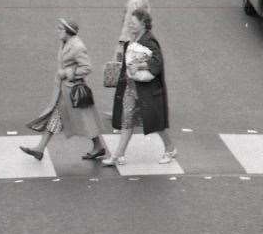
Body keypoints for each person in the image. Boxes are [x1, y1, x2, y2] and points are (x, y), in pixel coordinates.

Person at [22, 18, 103, 164]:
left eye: (60, 29)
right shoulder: (65, 43)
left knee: (84, 119)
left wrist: (67, 73)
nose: (57, 31)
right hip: (64, 90)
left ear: (68, 31)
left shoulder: (77, 46)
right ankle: (40, 149)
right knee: (75, 119)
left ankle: (40, 149)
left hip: (73, 90)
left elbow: (87, 67)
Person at [105, 10, 174, 166]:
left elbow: (157, 63)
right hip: (132, 87)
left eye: (133, 22)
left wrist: (139, 65)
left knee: (155, 122)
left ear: (143, 24)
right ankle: (118, 155)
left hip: (147, 90)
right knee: (127, 121)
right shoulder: (134, 38)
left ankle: (170, 149)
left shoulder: (149, 40)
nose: (129, 24)